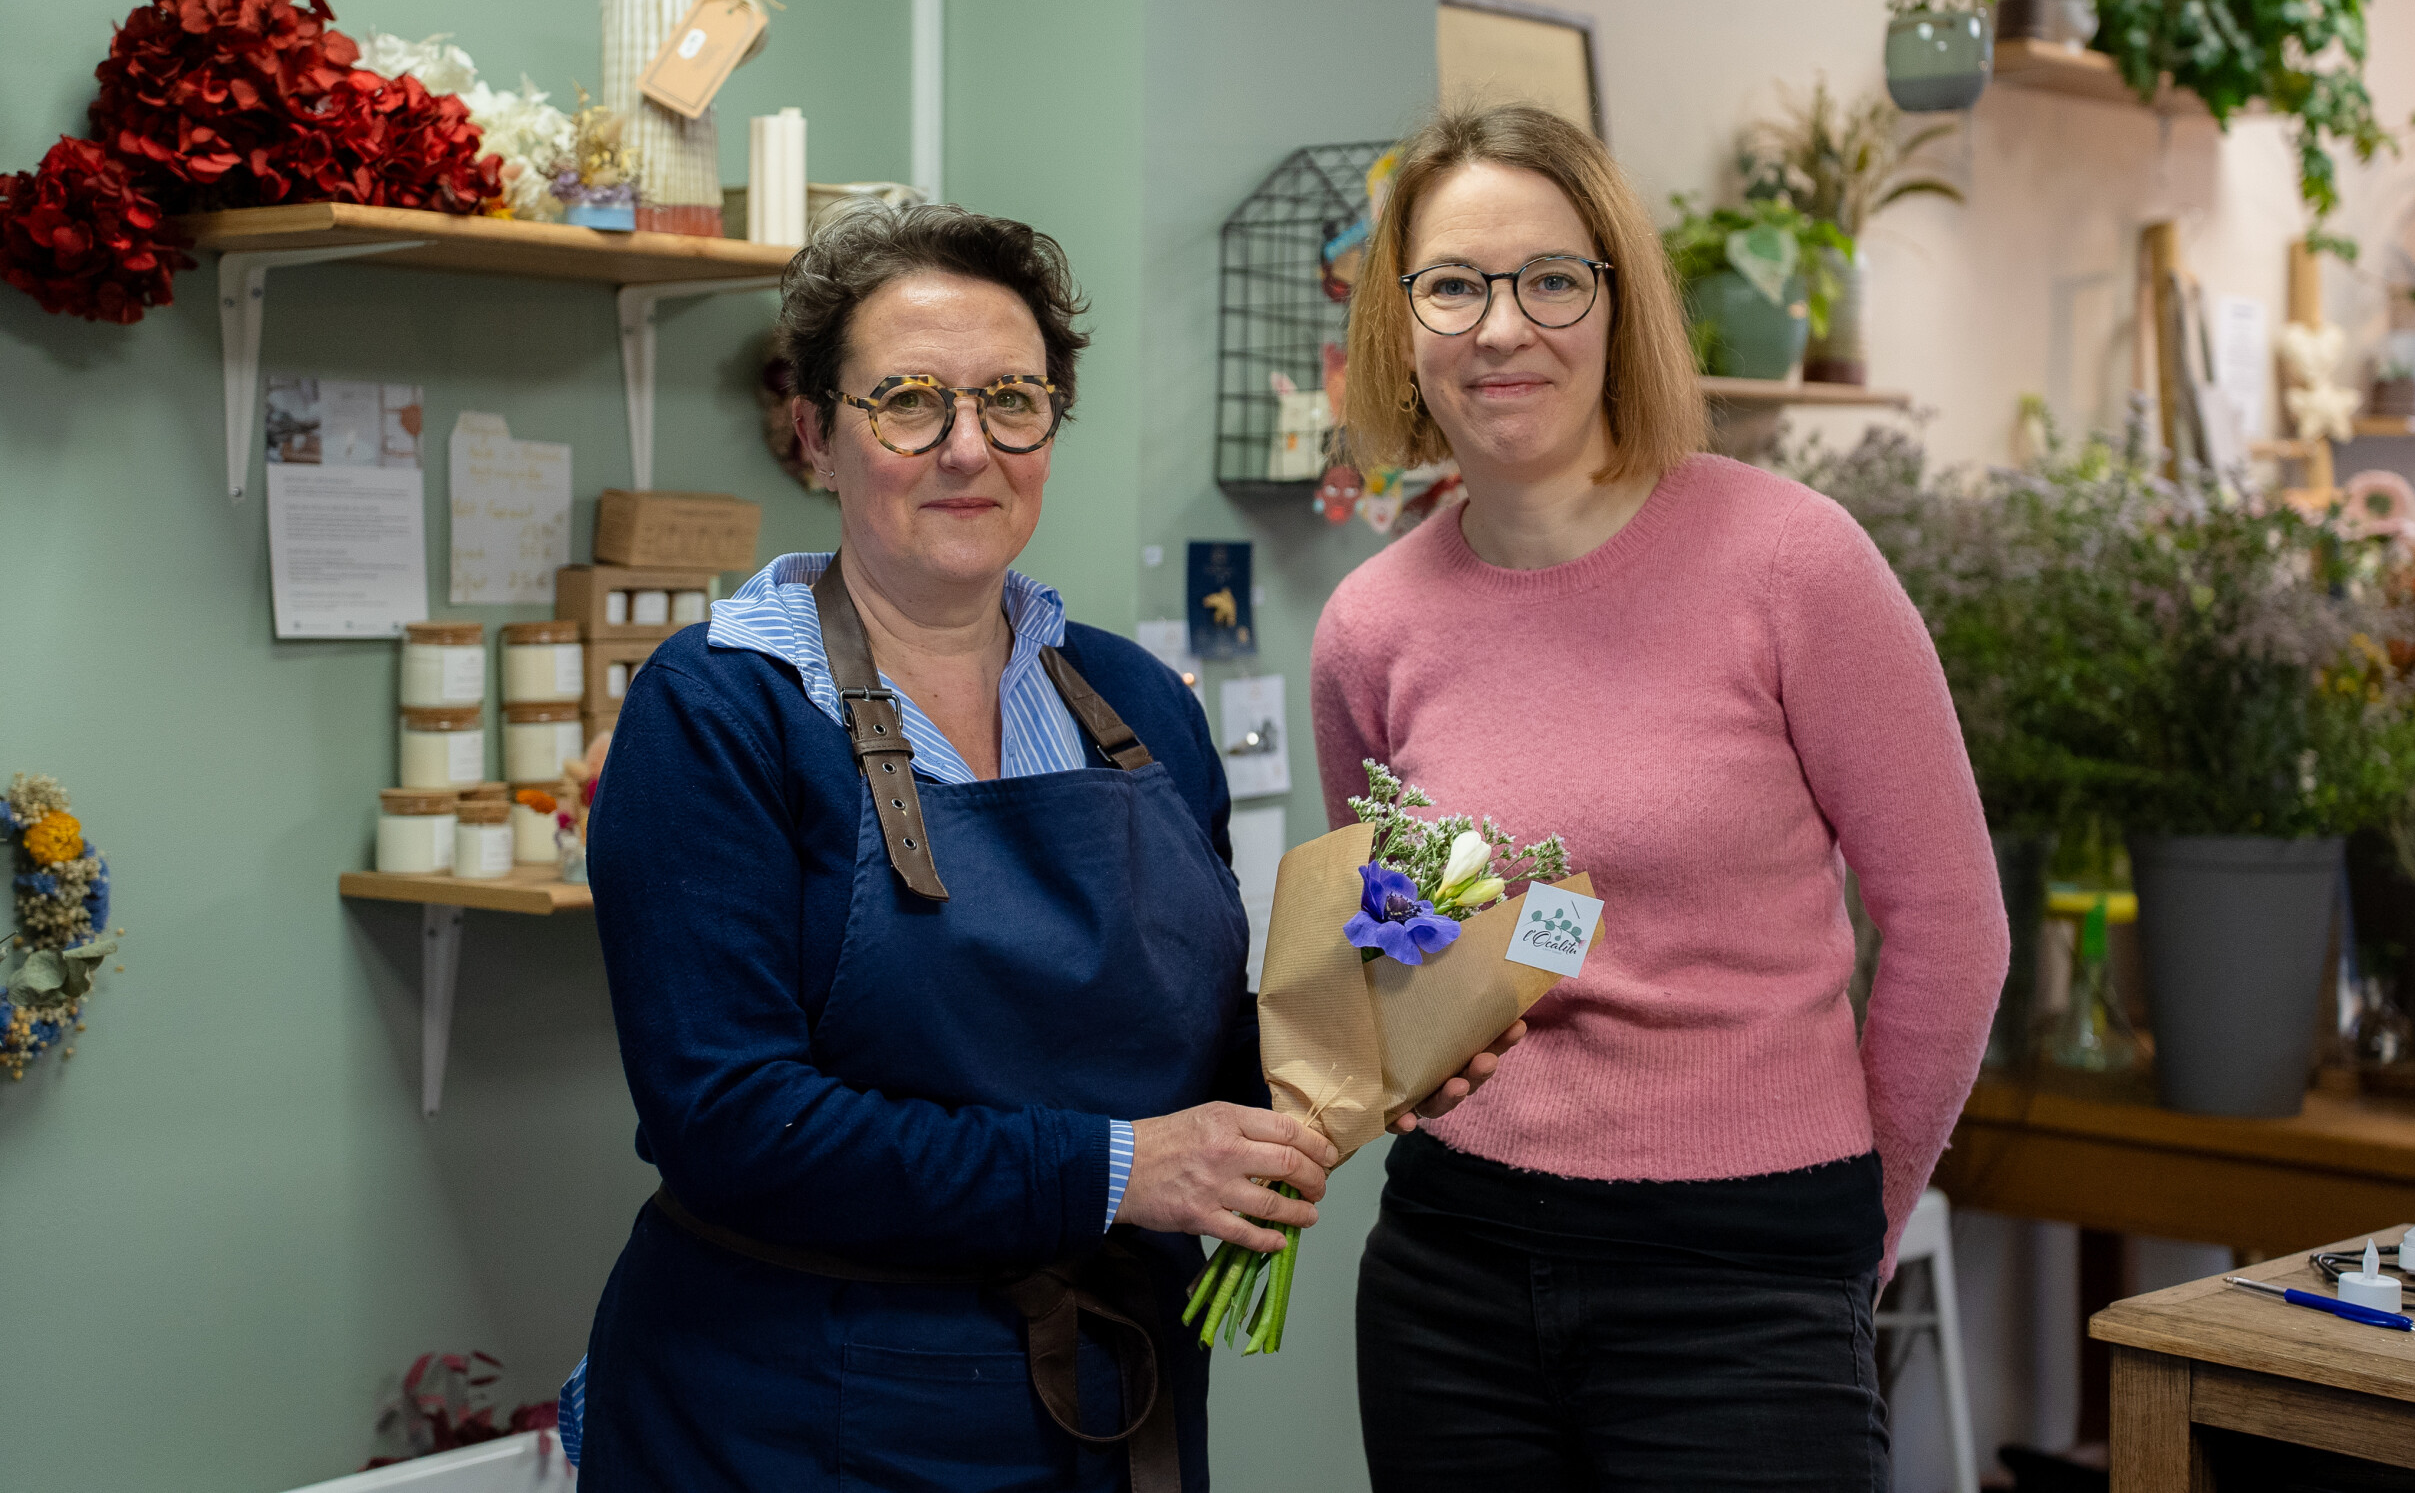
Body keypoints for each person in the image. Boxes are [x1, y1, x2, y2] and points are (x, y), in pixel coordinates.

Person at [568, 201, 1510, 1493]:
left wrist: (1371, 1046)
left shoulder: (1139, 706)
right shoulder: (723, 707)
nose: (968, 448)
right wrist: (1117, 1168)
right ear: (813, 434)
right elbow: (729, 1120)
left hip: (1107, 1402)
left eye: (1013, 399)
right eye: (909, 402)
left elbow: (1189, 1053)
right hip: (802, 1409)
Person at [1312, 103, 2008, 1491]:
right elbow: (1399, 961)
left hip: (1744, 1282)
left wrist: (1844, 1237)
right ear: (1400, 324)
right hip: (1452, 1275)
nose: (1501, 328)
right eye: (1453, 285)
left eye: (1551, 279)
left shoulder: (1791, 564)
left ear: (1619, 303)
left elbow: (1951, 929)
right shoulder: (1369, 626)